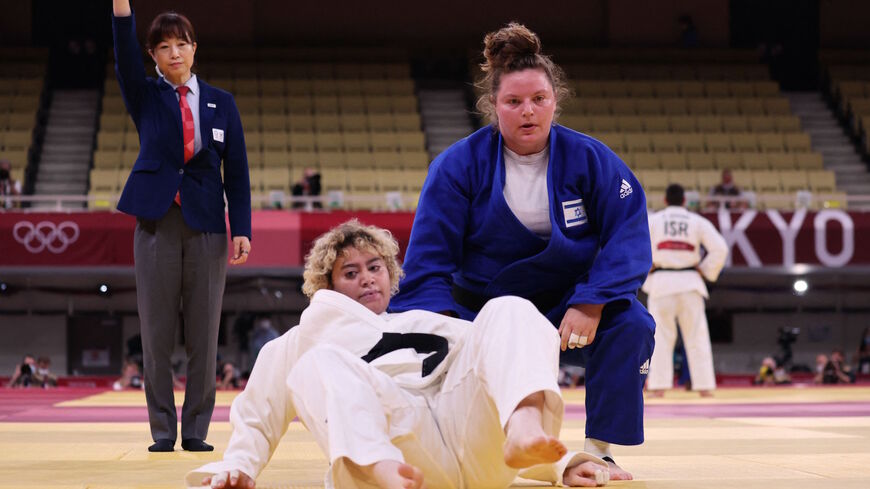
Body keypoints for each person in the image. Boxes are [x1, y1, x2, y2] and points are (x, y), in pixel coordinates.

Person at [389, 23, 654, 480]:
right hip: (483, 311)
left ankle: (598, 450)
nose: (527, 112)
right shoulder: (457, 166)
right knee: (422, 347)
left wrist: (591, 301)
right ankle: (462, 441)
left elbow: (627, 236)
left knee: (630, 323)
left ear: (556, 101)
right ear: (493, 106)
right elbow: (429, 262)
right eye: (513, 102)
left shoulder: (591, 159)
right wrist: (445, 328)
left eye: (539, 100)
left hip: (566, 306)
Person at [187, 220, 611, 489]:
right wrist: (240, 467)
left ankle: (523, 429)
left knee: (509, 310)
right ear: (328, 286)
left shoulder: (429, 323)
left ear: (390, 274)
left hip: (473, 448)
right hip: (399, 448)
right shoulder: (303, 342)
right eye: (350, 273)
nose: (368, 279)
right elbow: (258, 415)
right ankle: (380, 468)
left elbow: (504, 366)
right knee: (320, 364)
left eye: (375, 267)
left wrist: (559, 466)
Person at [111, 0, 252, 453]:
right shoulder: (145, 94)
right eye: (164, 47)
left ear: (195, 49)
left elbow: (239, 171)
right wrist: (121, 11)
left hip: (209, 224)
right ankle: (162, 430)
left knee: (204, 333)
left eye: (182, 44)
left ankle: (195, 429)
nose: (175, 53)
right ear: (153, 55)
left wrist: (242, 227)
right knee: (155, 334)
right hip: (156, 222)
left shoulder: (221, 103)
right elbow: (122, 52)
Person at [643, 184, 728, 398]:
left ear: (665, 200)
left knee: (661, 337)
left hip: (661, 282)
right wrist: (705, 270)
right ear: (684, 202)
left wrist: (647, 266)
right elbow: (720, 248)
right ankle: (705, 386)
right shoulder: (697, 221)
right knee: (697, 336)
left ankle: (658, 387)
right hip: (690, 281)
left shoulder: (653, 220)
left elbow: (636, 245)